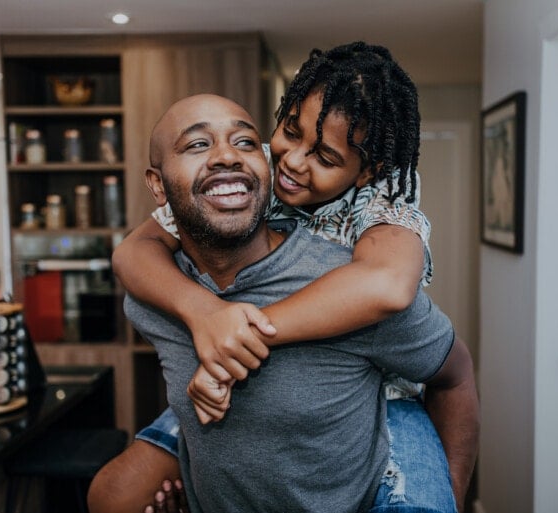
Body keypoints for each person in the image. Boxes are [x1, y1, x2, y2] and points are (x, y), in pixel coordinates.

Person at [88, 42, 478, 513]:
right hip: (233, 403)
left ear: (365, 171)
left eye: (326, 158)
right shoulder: (254, 176)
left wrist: (240, 332)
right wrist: (203, 312)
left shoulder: (381, 202)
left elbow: (388, 286)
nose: (293, 161)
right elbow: (132, 252)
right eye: (288, 132)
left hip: (390, 395)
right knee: (115, 494)